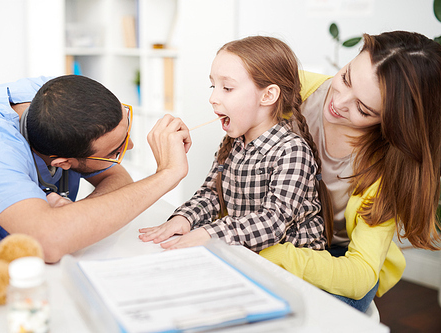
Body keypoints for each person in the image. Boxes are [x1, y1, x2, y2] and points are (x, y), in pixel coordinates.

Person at [260, 31, 441, 312]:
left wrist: (272, 255)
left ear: (392, 122)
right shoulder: (290, 89)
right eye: (345, 78)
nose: (340, 103)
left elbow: (359, 274)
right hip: (262, 230)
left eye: (363, 109)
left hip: (333, 253)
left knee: (342, 301)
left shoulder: (388, 167)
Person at [0, 75, 191, 263]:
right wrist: (166, 175)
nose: (132, 147)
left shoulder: (57, 99)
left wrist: (73, 219)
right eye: (114, 151)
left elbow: (118, 178)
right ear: (62, 163)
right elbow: (50, 242)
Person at [139, 36, 333, 252]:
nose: (212, 97)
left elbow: (273, 221)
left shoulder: (292, 151)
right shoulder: (232, 143)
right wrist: (184, 219)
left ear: (268, 95)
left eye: (227, 88)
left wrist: (209, 233)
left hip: (294, 265)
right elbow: (212, 194)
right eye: (213, 85)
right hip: (250, 254)